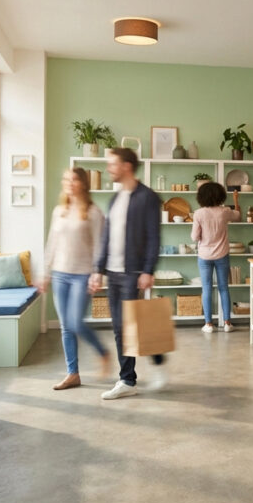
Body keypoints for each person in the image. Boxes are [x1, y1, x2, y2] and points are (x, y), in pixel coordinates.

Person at [89, 147, 166, 400]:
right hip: (113, 271)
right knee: (122, 327)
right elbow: (107, 237)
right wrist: (98, 270)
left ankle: (134, 376)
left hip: (133, 271)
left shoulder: (148, 197)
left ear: (127, 166)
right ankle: (138, 371)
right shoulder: (115, 198)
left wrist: (148, 270)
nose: (108, 168)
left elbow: (154, 237)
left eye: (112, 164)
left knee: (130, 325)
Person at [39, 168, 112, 390]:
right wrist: (45, 272)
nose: (68, 183)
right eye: (66, 179)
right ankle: (73, 374)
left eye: (74, 179)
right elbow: (52, 243)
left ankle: (103, 352)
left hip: (82, 275)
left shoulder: (94, 212)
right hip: (60, 274)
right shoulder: (59, 211)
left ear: (83, 183)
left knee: (74, 322)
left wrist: (97, 274)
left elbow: (100, 247)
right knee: (65, 326)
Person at [191, 181, 241, 333]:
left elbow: (194, 237)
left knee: (206, 288)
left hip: (204, 255)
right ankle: (227, 323)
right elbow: (238, 215)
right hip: (222, 255)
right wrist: (236, 200)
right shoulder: (225, 211)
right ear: (220, 195)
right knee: (223, 288)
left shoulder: (199, 213)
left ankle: (208, 324)